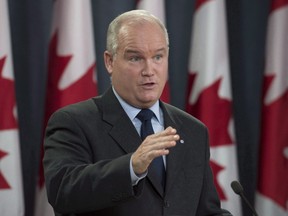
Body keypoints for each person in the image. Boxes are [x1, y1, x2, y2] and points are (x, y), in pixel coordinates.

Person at [43, 9, 232, 216]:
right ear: (109, 62)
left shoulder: (192, 130)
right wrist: (132, 167)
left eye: (158, 56)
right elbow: (63, 192)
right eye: (135, 58)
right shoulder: (74, 122)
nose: (149, 70)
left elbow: (206, 211)